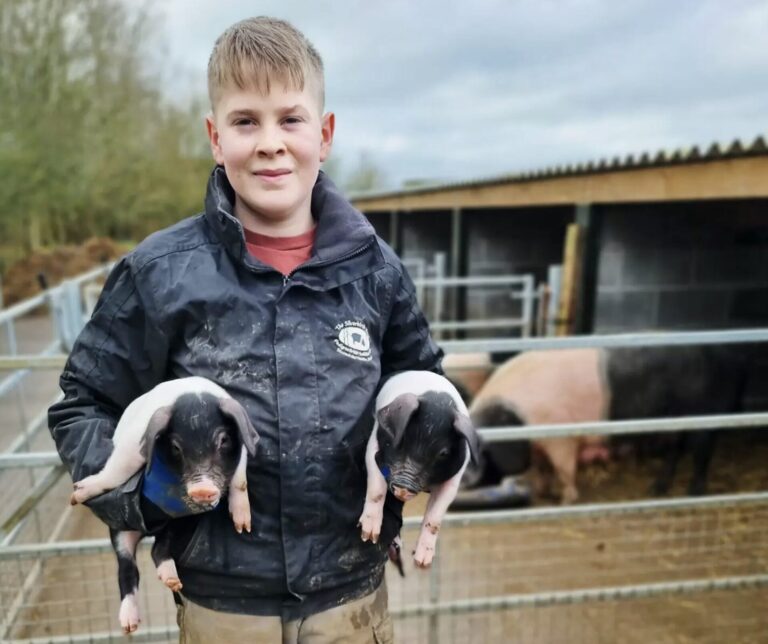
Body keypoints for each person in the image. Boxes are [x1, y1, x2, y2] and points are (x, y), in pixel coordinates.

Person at [48, 15, 443, 644]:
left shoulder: (375, 271)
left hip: (351, 595)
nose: (269, 142)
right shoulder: (160, 274)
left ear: (325, 132)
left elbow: (424, 387)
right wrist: (153, 497)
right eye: (244, 121)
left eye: (290, 119)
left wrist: (423, 456)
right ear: (214, 136)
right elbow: (83, 406)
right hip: (222, 607)